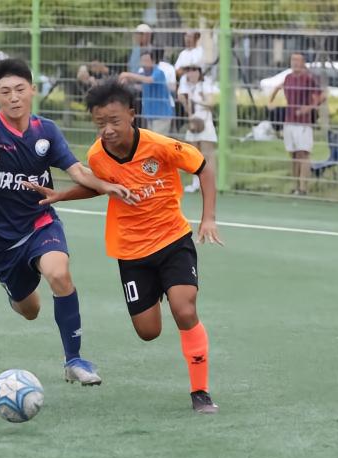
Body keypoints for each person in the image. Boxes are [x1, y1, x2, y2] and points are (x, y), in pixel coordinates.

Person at [25, 80, 223, 414]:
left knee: (185, 310)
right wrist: (61, 195)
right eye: (100, 123)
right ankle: (160, 290)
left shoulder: (159, 145)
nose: (108, 129)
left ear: (132, 114)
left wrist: (208, 219)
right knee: (148, 331)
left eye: (114, 121)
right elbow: (99, 186)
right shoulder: (97, 155)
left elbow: (203, 167)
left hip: (173, 240)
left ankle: (200, 392)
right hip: (131, 252)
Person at [0, 59, 133, 385]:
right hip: (0, 240)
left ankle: (74, 361)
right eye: (5, 92)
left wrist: (106, 185)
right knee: (30, 310)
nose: (14, 97)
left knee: (58, 273)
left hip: (40, 221)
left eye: (20, 89)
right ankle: (14, 291)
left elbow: (77, 170)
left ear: (33, 90)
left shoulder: (46, 131)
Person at [268, 53, 323, 196]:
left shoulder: (308, 78)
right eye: (293, 60)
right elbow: (278, 87)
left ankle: (303, 187)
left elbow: (321, 96)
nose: (295, 63)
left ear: (303, 62)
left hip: (303, 122)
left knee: (303, 153)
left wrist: (309, 108)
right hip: (289, 120)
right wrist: (270, 102)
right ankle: (295, 185)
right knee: (293, 154)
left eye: (298, 60)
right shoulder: (288, 78)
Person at [178, 65, 218, 193]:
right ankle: (196, 183)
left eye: (194, 70)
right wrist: (185, 103)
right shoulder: (187, 87)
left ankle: (210, 184)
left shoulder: (206, 85)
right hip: (194, 122)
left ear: (199, 72)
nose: (191, 73)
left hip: (205, 121)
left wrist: (197, 100)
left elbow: (211, 103)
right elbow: (187, 107)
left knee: (207, 154)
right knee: (194, 154)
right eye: (189, 71)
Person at [119, 51, 173, 135]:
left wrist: (128, 75)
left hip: (161, 115)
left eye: (146, 60)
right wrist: (126, 80)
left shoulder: (158, 72)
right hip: (150, 115)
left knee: (157, 140)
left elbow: (149, 80)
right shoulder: (143, 73)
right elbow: (138, 82)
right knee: (152, 140)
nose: (144, 63)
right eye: (142, 61)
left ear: (153, 61)